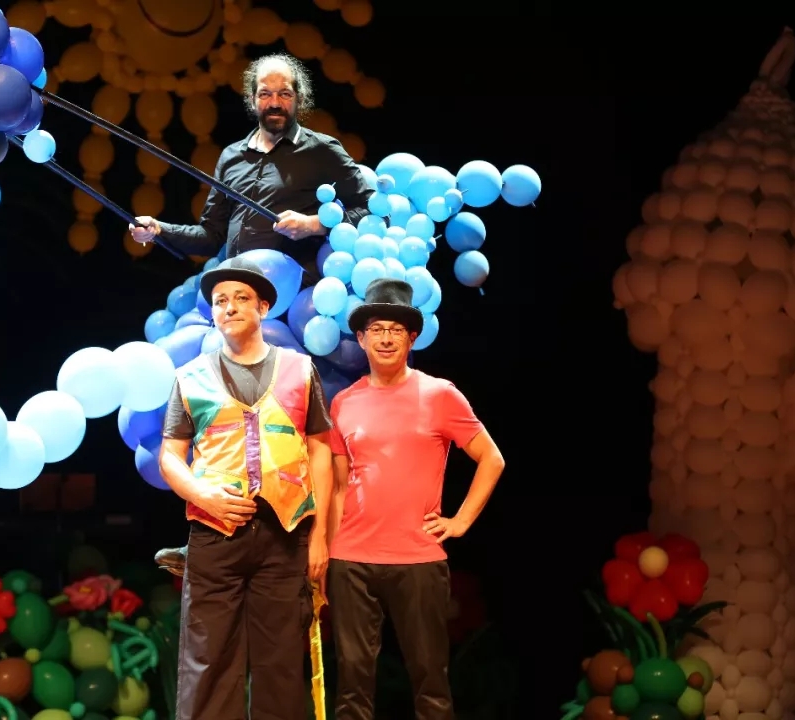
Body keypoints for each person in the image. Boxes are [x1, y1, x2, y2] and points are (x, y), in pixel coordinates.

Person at [158, 257, 334, 720]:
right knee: (208, 661)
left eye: (240, 298)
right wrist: (201, 495)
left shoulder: (300, 369)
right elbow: (171, 455)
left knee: (281, 664)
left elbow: (320, 450)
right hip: (216, 533)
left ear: (263, 307)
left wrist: (320, 536)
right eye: (220, 301)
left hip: (284, 533)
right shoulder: (190, 376)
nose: (230, 307)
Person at [326, 278, 505, 720]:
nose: (386, 338)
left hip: (418, 559)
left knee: (430, 682)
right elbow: (338, 484)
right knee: (351, 684)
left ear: (412, 338)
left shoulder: (439, 394)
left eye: (396, 329)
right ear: (361, 338)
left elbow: (492, 458)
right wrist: (327, 550)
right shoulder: (344, 402)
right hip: (351, 560)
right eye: (376, 329)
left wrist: (460, 521)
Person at [128, 52, 372, 271]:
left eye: (284, 94)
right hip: (238, 291)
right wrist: (158, 229)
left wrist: (314, 224)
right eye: (265, 94)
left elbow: (371, 211)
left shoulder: (322, 150)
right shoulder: (231, 156)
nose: (274, 103)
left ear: (299, 98)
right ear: (252, 99)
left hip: (295, 296)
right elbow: (212, 236)